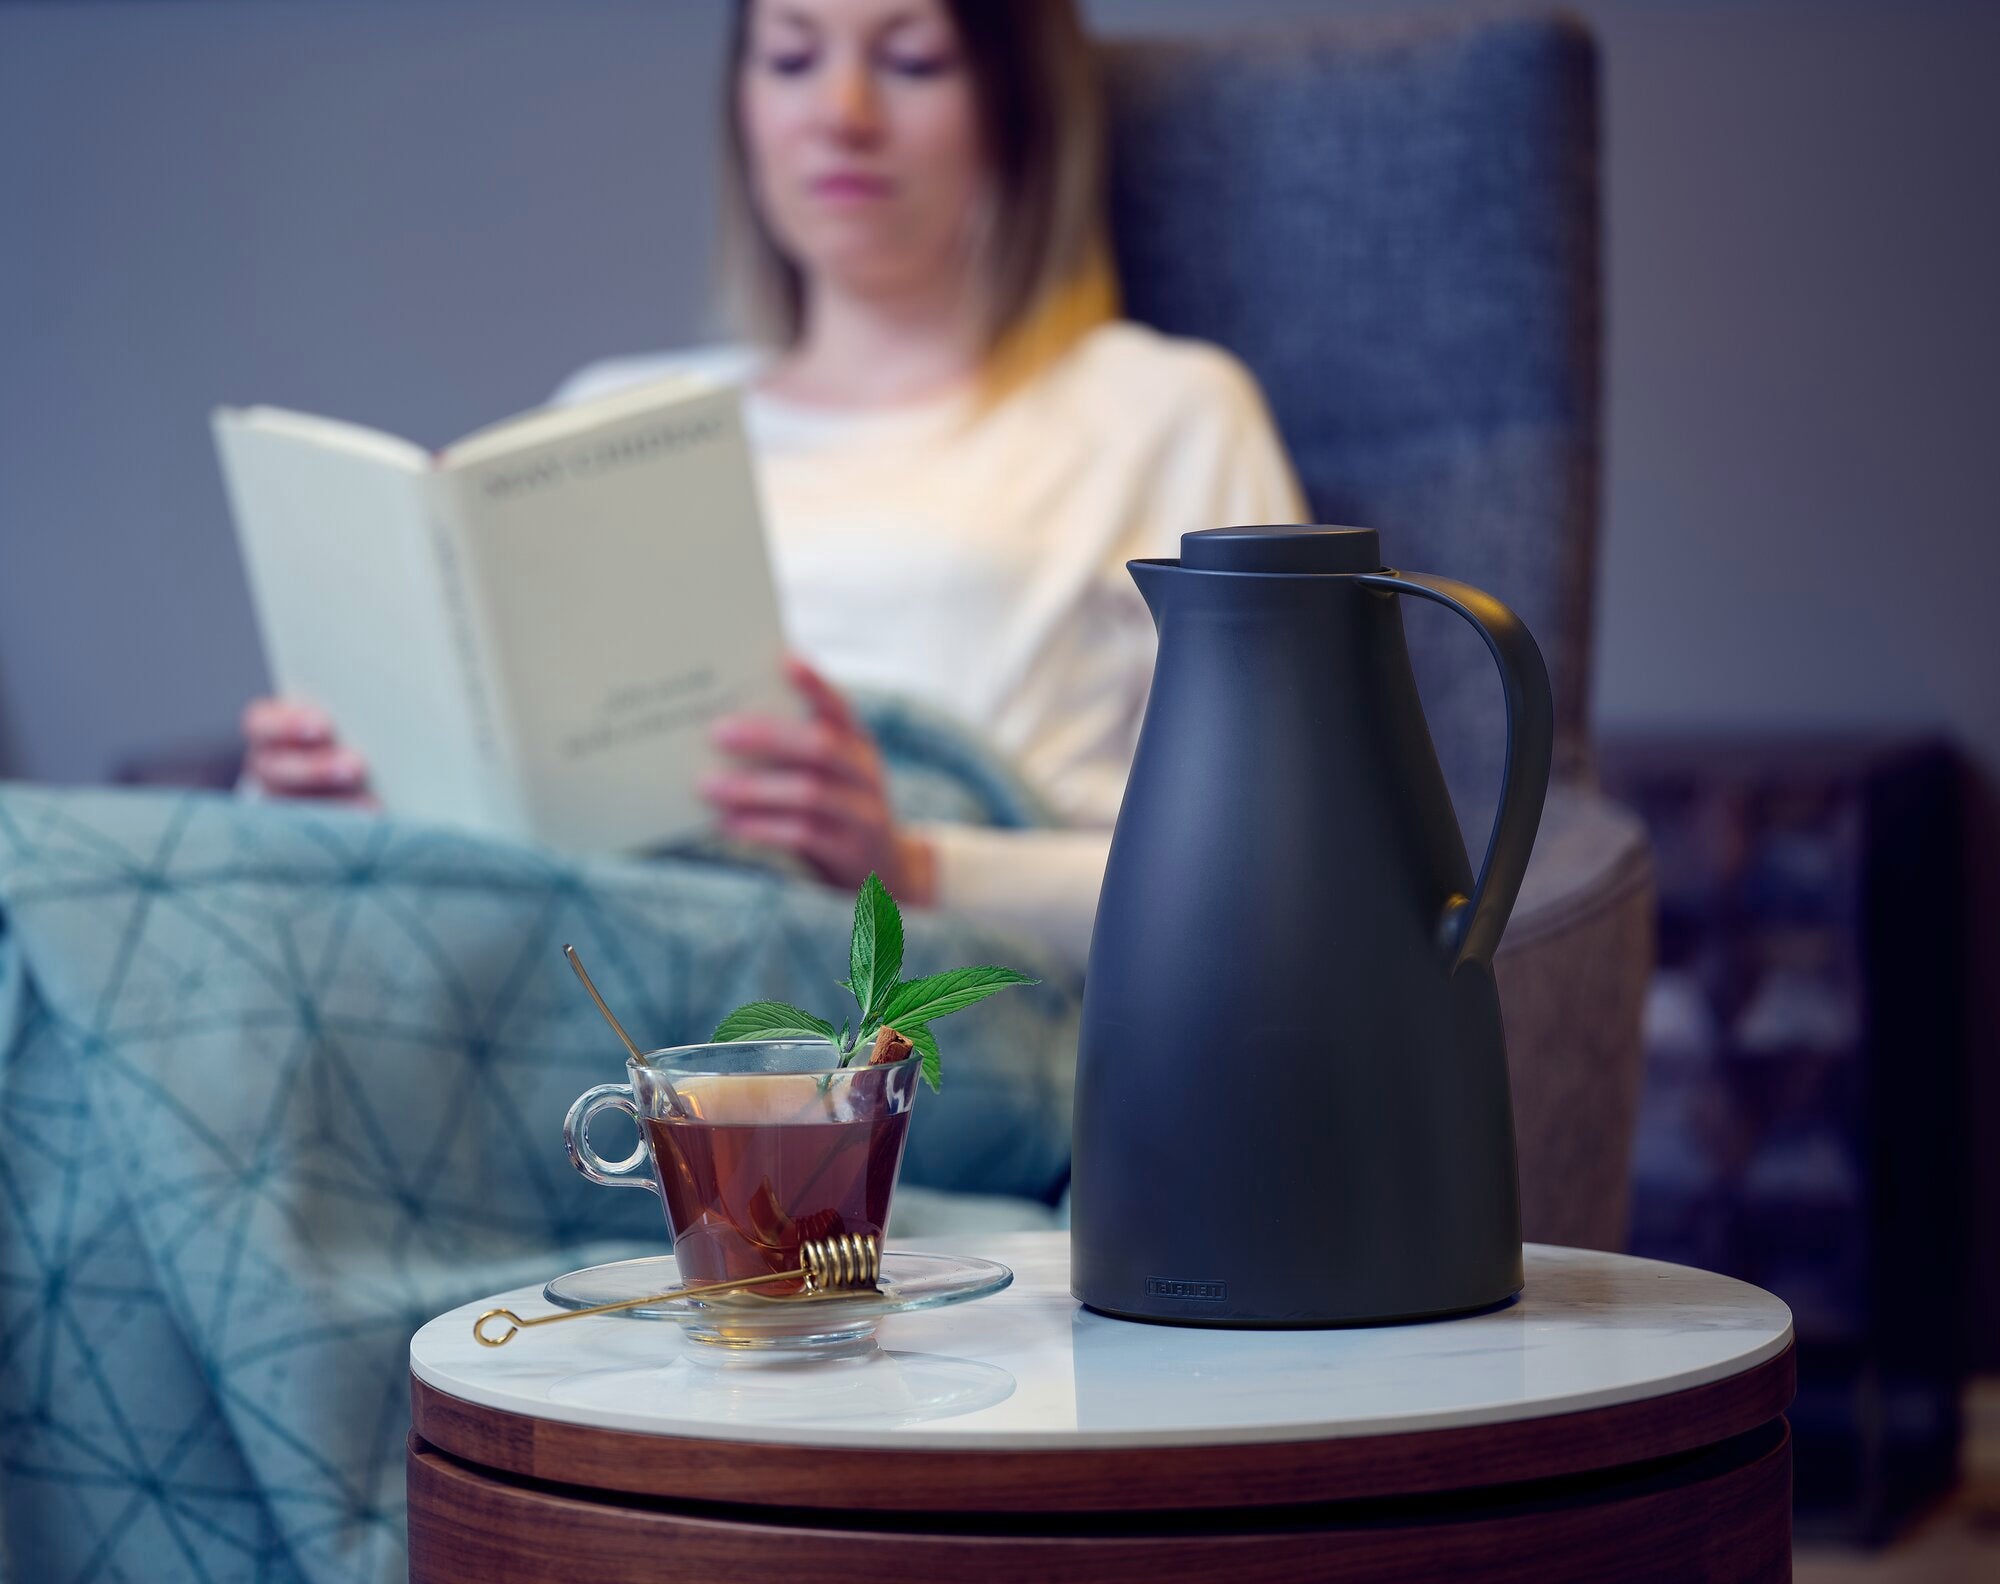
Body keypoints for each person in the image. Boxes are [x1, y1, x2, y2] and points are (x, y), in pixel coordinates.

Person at [241, 0, 1304, 970]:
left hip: (912, 998)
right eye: (791, 58)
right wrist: (327, 799)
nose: (840, 112)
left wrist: (912, 869)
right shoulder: (610, 412)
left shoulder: (1159, 410)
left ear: (1017, 105)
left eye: (912, 60)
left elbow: (1295, 871)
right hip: (580, 954)